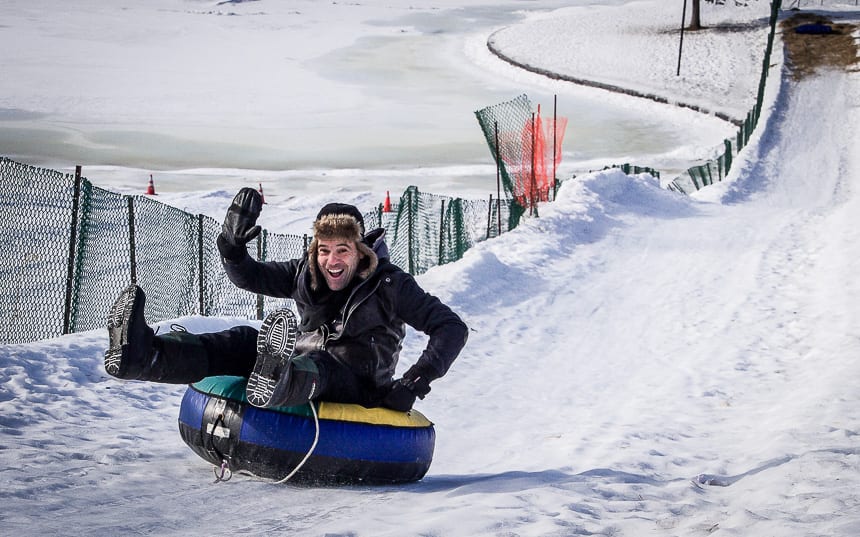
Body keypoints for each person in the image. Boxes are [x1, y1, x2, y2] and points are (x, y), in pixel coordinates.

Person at [104, 187, 468, 412]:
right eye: (324, 250)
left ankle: (277, 381)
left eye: (342, 250)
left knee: (323, 368)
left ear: (360, 250)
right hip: (299, 359)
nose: (332, 260)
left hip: (357, 382)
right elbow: (251, 276)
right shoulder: (304, 271)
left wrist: (414, 383)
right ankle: (145, 356)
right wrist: (232, 251)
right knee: (245, 340)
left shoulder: (389, 284)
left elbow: (451, 328)